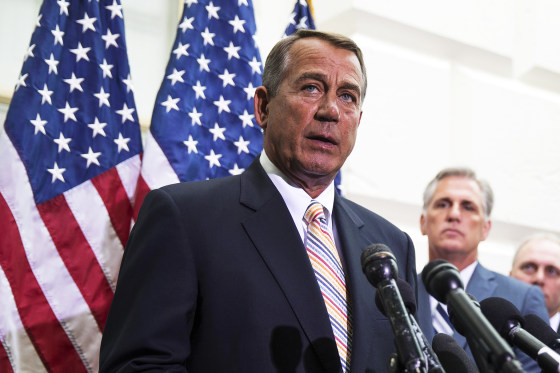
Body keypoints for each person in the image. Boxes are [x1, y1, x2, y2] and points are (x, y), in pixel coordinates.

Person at [99, 30, 417, 373]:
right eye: (311, 88)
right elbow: (139, 366)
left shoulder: (392, 247)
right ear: (263, 107)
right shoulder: (185, 219)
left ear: (358, 119)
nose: (330, 111)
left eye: (347, 97)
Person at [415, 167, 548, 372]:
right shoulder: (395, 293)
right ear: (423, 222)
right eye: (443, 204)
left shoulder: (523, 297)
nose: (454, 214)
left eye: (468, 207)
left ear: (486, 228)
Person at [510, 233, 560, 332]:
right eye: (528, 267)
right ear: (510, 276)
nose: (539, 278)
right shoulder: (485, 329)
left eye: (552, 271)